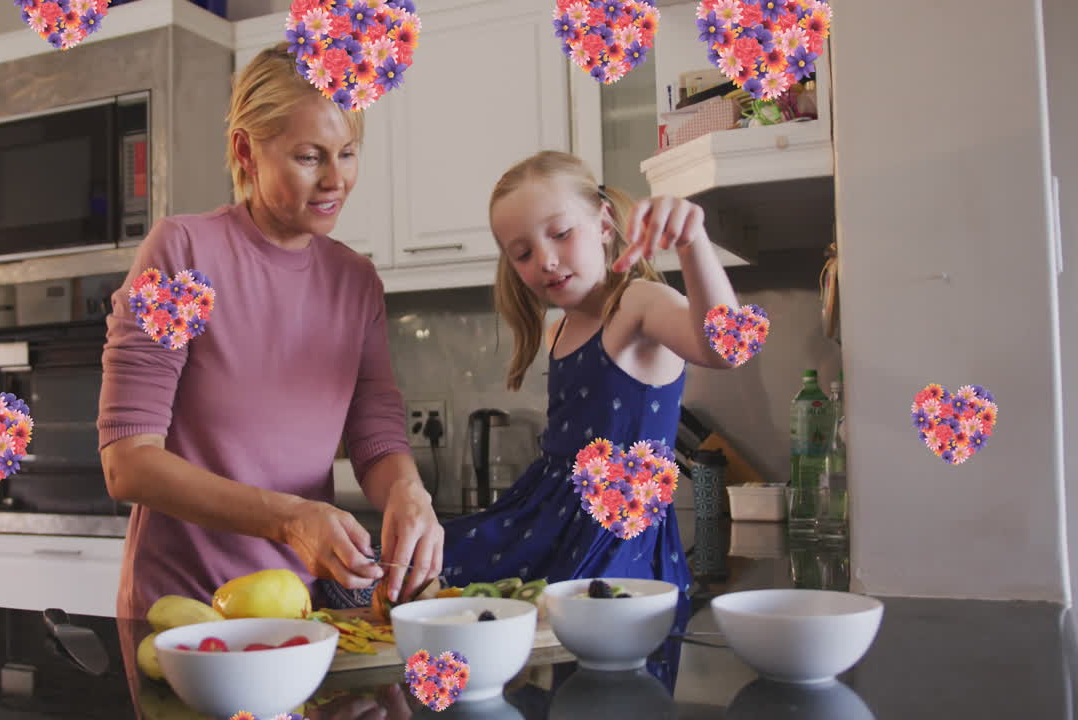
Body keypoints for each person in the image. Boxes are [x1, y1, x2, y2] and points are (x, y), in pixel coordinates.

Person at [97, 41, 444, 628]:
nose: (336, 180)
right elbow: (128, 464)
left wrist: (409, 493)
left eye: (348, 153)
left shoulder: (355, 282)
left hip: (304, 613)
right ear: (246, 152)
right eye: (309, 157)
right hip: (187, 612)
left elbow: (375, 434)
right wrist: (289, 520)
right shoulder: (185, 254)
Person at [438, 150, 742, 689]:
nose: (546, 261)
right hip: (546, 519)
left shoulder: (638, 303)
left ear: (603, 224)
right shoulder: (556, 330)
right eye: (523, 253)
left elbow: (730, 348)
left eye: (560, 234)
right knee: (444, 583)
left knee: (606, 684)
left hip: (618, 535)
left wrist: (693, 241)